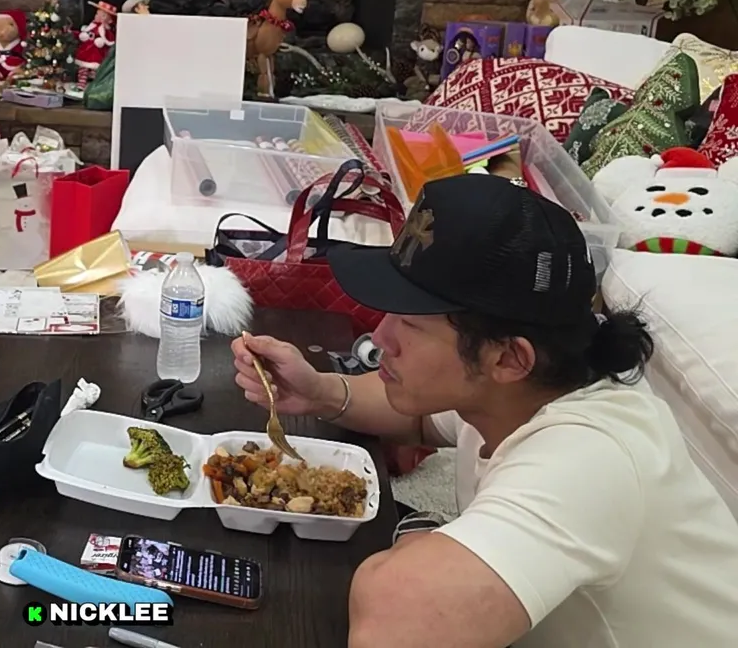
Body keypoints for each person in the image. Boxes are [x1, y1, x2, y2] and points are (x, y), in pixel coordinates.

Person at [232, 173, 738, 647]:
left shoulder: (590, 457)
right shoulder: (516, 392)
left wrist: (420, 540)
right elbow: (417, 417)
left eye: (411, 324)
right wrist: (319, 391)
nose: (380, 337)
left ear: (509, 358)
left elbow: (395, 618)